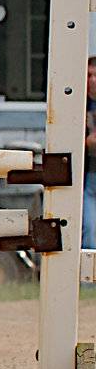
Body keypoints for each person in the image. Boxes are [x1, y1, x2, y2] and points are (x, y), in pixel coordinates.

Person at [84, 56, 96, 250]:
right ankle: (88, 279)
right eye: (88, 75)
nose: (92, 80)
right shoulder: (76, 105)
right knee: (89, 228)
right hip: (87, 178)